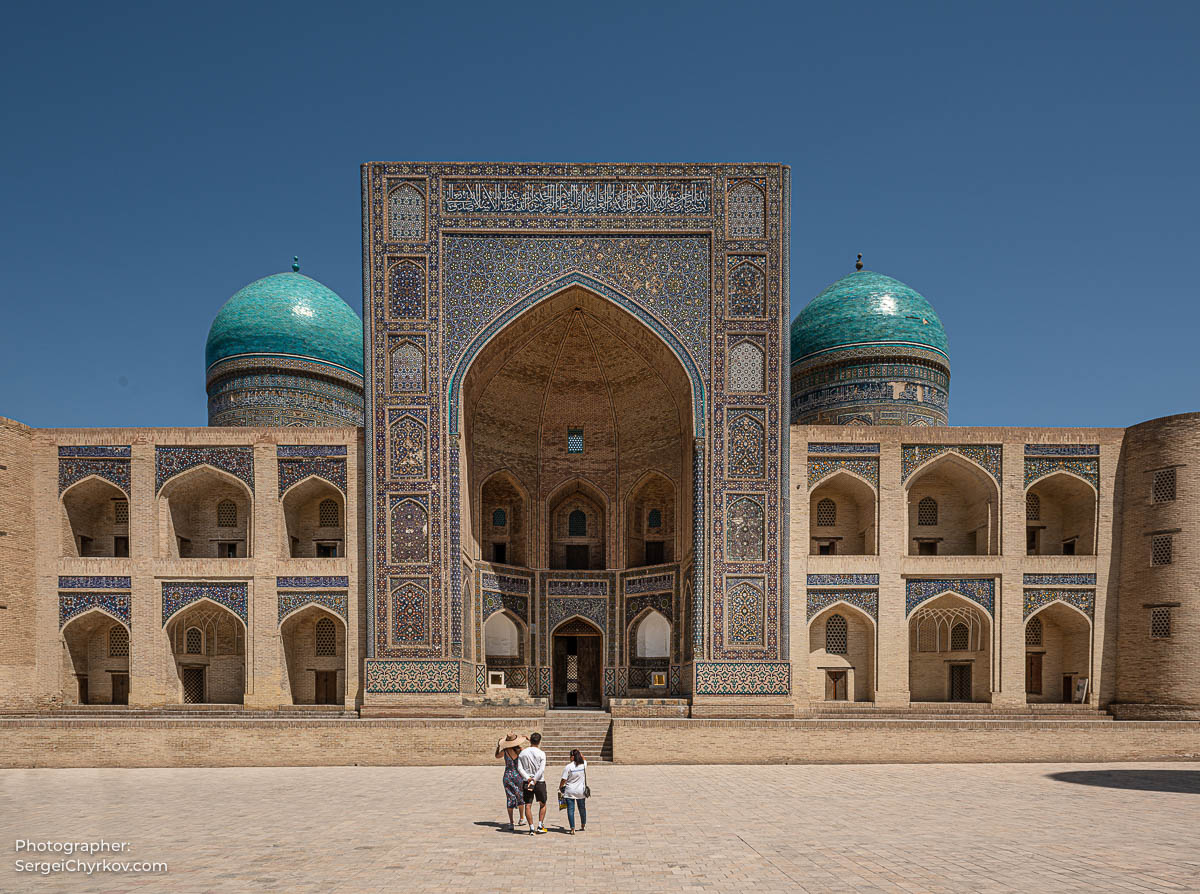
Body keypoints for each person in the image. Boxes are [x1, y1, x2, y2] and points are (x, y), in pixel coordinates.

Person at [516, 731, 548, 835]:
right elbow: (541, 769)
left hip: (527, 781)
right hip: (539, 781)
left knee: (528, 805)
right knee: (542, 804)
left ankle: (531, 827)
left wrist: (528, 778)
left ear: (530, 740)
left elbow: (519, 768)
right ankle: (540, 825)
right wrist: (534, 779)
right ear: (539, 741)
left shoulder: (523, 753)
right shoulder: (541, 753)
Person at [494, 733, 527, 830]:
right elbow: (529, 753)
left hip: (508, 776)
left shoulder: (505, 751)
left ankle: (511, 822)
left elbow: (497, 756)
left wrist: (498, 746)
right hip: (518, 776)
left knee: (510, 798)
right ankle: (521, 818)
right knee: (520, 796)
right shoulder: (520, 750)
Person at [558, 749, 588, 834]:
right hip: (581, 791)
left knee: (570, 809)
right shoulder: (583, 765)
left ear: (572, 757)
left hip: (570, 790)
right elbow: (584, 758)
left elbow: (564, 779)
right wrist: (579, 752)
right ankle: (583, 824)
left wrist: (560, 786)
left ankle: (572, 828)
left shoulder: (568, 767)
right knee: (582, 808)